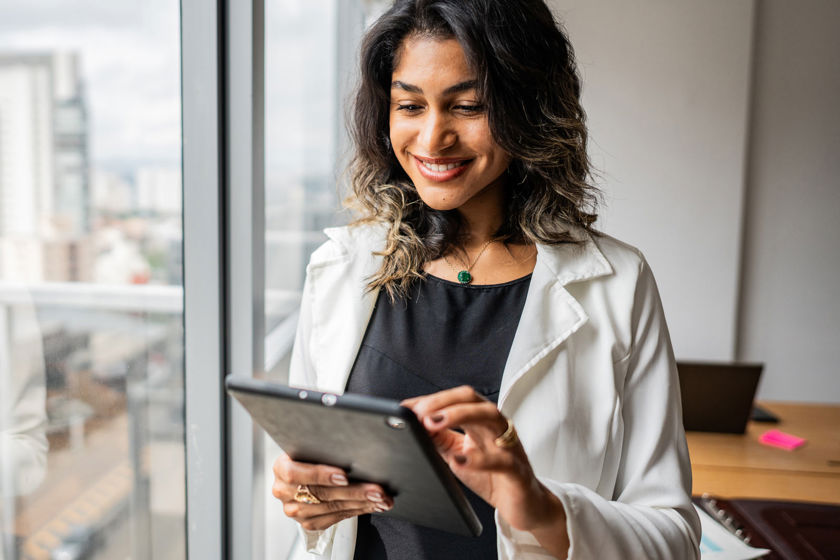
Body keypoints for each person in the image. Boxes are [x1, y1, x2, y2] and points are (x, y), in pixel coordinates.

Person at [272, 0, 701, 558]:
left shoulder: (618, 284)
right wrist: (306, 500)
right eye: (409, 105)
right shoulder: (339, 269)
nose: (431, 139)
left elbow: (672, 539)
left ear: (528, 107)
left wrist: (542, 508)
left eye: (468, 106)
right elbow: (310, 498)